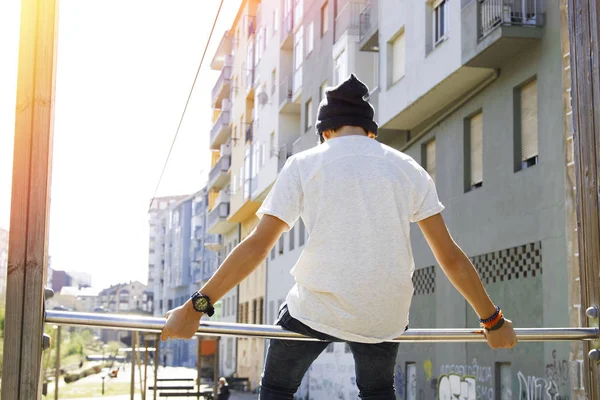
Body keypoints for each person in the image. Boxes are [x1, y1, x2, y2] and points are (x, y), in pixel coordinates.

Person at [160, 74, 518, 400]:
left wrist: (197, 307)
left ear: (325, 132)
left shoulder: (305, 164)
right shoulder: (408, 168)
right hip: (384, 313)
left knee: (277, 389)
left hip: (314, 308)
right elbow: (449, 256)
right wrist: (493, 321)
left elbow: (257, 246)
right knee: (378, 389)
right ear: (370, 131)